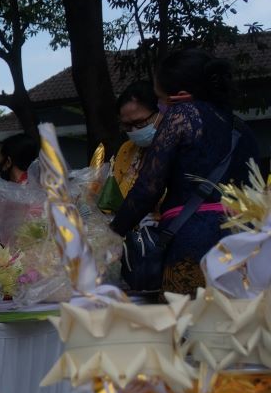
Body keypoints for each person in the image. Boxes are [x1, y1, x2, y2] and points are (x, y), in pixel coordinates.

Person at [110, 48, 259, 295]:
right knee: (234, 325)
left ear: (179, 96)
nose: (161, 106)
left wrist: (112, 233)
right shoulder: (243, 129)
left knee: (188, 325)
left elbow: (149, 189)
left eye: (160, 100)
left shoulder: (182, 115)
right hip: (242, 242)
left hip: (194, 242)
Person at [111, 81, 160, 200]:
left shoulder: (180, 149)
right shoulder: (127, 149)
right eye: (127, 125)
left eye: (140, 123)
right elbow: (113, 196)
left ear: (161, 112)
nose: (134, 130)